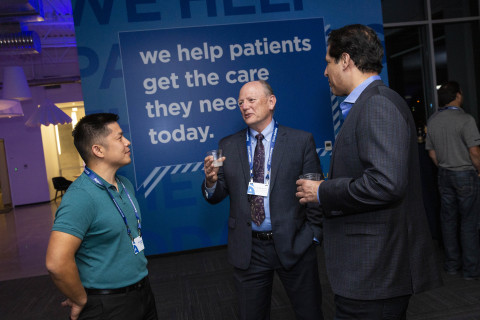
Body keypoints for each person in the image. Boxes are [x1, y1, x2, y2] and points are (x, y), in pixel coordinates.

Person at [296, 24, 443, 319]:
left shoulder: (376, 104)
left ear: (346, 60)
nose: (325, 73)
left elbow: (386, 184)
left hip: (375, 270)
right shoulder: (372, 102)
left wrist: (323, 191)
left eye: (328, 62)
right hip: (371, 270)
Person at [202, 80, 324, 320]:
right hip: (250, 249)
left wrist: (313, 234)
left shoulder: (300, 141)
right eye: (240, 102)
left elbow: (314, 193)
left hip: (294, 243)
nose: (244, 106)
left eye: (251, 100)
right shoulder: (228, 145)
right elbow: (216, 196)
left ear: (271, 102)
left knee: (310, 313)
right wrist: (211, 181)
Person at [45, 113, 158, 320]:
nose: (127, 142)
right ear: (98, 150)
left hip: (143, 293)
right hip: (108, 305)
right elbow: (56, 262)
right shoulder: (80, 196)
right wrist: (79, 298)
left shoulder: (125, 184)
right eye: (119, 137)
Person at [425, 81, 480, 280]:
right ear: (457, 95)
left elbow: (431, 153)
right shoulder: (466, 119)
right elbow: (474, 152)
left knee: (448, 222)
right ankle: (471, 270)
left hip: (444, 174)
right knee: (469, 222)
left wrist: (444, 166)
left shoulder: (433, 120)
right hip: (465, 174)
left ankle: (451, 265)